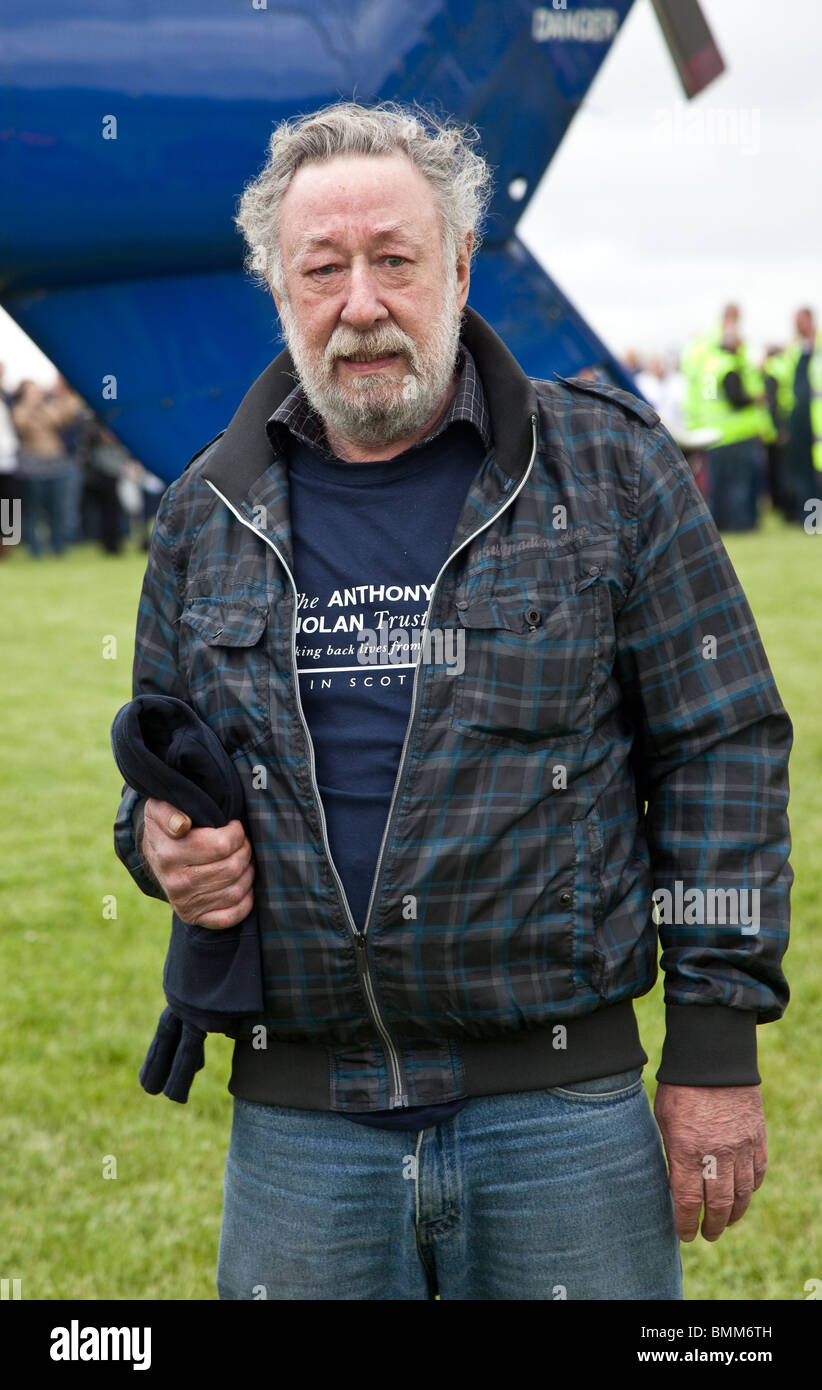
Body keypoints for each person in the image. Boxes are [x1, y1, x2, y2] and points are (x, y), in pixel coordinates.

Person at [113, 101, 792, 1301]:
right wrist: (162, 846)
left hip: (559, 1111)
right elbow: (159, 789)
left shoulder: (610, 470)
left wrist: (715, 1043)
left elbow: (719, 745)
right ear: (277, 283)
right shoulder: (201, 515)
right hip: (301, 1128)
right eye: (323, 269)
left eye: (395, 261)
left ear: (462, 265)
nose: (361, 304)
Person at [682, 305, 772, 532]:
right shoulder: (728, 365)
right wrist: (757, 398)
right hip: (736, 433)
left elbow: (708, 398)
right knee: (739, 486)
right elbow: (736, 399)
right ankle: (740, 525)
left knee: (718, 486)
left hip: (713, 433)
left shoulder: (706, 363)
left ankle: (720, 524)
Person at [11, 379, 84, 557]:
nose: (36, 395)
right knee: (32, 510)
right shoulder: (19, 409)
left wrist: (43, 409)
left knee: (57, 509)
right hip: (31, 466)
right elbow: (21, 425)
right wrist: (30, 406)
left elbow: (62, 418)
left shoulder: (50, 406)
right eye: (31, 392)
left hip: (56, 465)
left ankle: (58, 547)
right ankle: (34, 549)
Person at [764, 309, 822, 524]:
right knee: (802, 472)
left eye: (800, 321)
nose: (798, 326)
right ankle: (810, 519)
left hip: (816, 421)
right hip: (798, 421)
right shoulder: (794, 350)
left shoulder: (817, 346)